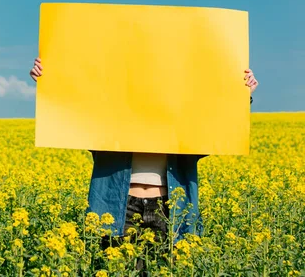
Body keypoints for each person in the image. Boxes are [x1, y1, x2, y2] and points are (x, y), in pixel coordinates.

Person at [29, 57, 258, 246]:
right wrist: (49, 81)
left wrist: (241, 95)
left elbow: (215, 134)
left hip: (170, 206)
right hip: (118, 205)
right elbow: (77, 122)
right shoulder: (111, 105)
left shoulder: (184, 109)